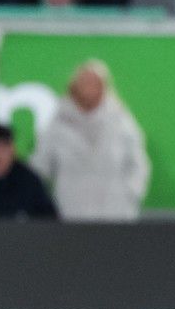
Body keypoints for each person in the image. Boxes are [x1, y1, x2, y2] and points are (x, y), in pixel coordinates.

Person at [32, 59, 150, 221]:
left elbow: (139, 164)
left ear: (104, 87)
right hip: (70, 213)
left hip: (115, 214)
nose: (89, 88)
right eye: (84, 82)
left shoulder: (121, 121)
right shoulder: (58, 124)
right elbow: (41, 166)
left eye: (94, 82)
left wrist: (129, 196)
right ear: (73, 86)